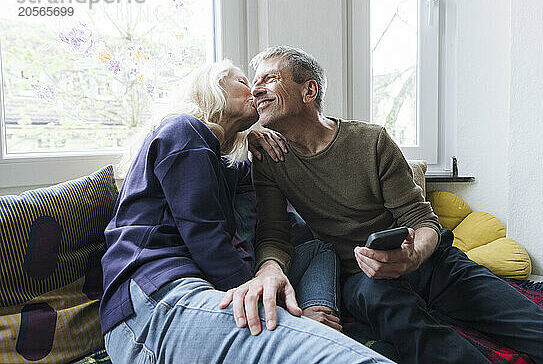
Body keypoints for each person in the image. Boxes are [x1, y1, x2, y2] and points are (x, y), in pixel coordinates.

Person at [221, 46, 543, 364]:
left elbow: (422, 219)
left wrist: (414, 255)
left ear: (309, 91)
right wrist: (267, 271)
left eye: (269, 79)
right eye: (254, 84)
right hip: (361, 278)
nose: (256, 90)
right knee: (416, 330)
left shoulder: (370, 141)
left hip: (433, 266)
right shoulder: (268, 158)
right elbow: (274, 233)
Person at [99, 59, 394, 364]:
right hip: (153, 301)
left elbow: (258, 185)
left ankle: (319, 317)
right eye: (242, 82)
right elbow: (206, 236)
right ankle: (304, 325)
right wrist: (265, 297)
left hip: (199, 290)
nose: (255, 89)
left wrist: (247, 138)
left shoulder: (219, 158)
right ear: (213, 91)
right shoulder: (184, 130)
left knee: (319, 249)